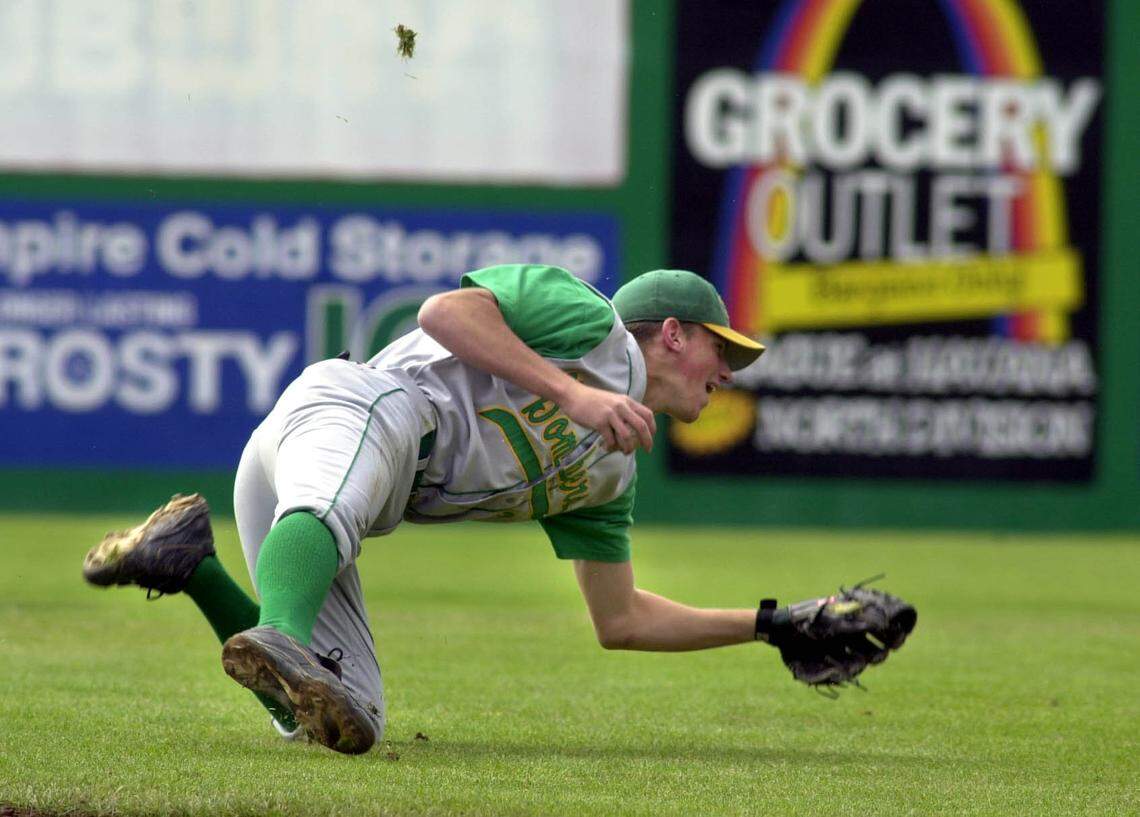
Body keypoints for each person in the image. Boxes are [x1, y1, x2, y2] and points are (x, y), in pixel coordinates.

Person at [83, 265, 767, 754]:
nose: (729, 370)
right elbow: (446, 311)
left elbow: (621, 620)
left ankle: (185, 559)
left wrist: (771, 624)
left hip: (336, 487)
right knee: (335, 519)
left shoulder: (610, 471)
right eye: (721, 345)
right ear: (673, 333)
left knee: (345, 719)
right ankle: (283, 629)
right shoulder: (596, 327)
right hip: (362, 408)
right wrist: (571, 392)